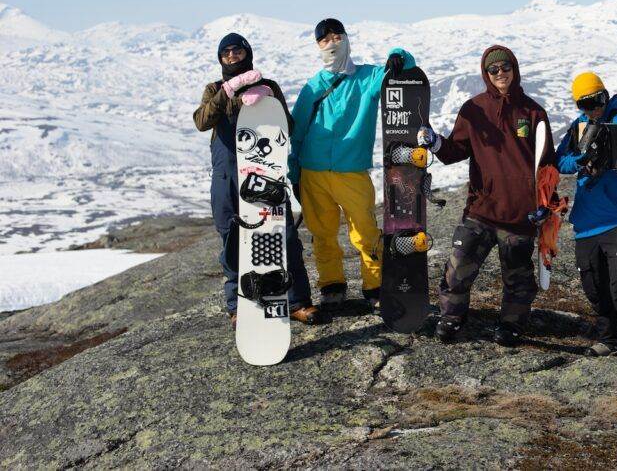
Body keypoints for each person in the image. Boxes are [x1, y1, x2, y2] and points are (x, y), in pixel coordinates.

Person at [417, 45, 553, 346]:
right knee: (458, 269)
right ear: (486, 74)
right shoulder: (473, 110)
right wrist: (435, 140)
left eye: (505, 67)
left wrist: (546, 205)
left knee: (518, 279)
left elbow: (547, 165)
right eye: (494, 69)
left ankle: (511, 326)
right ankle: (452, 318)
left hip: (520, 214)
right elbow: (455, 151)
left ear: (514, 69)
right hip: (480, 210)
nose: (500, 73)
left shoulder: (533, 112)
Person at [193, 32, 318, 326]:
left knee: (282, 235)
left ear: (247, 53)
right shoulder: (214, 88)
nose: (232, 56)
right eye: (226, 53)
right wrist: (229, 92)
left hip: (265, 172)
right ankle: (239, 307)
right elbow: (202, 120)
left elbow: (287, 126)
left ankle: (297, 301)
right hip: (227, 175)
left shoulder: (269, 85)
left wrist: (268, 102)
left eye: (237, 51)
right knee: (231, 239)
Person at [289, 18, 412, 311]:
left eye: (336, 36)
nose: (331, 43)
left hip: (352, 171)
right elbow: (297, 133)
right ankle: (332, 285)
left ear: (346, 39)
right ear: (318, 46)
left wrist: (398, 55)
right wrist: (295, 174)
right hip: (313, 172)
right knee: (322, 233)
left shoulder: (367, 77)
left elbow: (404, 69)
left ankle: (375, 286)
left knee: (366, 231)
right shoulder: (313, 86)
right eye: (324, 40)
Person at [554, 72, 617, 376]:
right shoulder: (578, 127)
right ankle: (609, 337)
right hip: (587, 221)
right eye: (584, 104)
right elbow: (560, 161)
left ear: (606, 95)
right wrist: (580, 160)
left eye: (596, 101)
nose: (592, 108)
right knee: (594, 286)